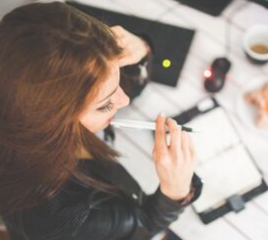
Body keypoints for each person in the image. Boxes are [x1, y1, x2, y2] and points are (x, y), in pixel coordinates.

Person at [0, 2, 201, 240]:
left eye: (117, 71)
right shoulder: (57, 215)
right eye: (105, 104)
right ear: (52, 122)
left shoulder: (26, 85)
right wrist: (175, 192)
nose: (124, 100)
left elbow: (110, 84)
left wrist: (142, 48)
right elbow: (144, 227)